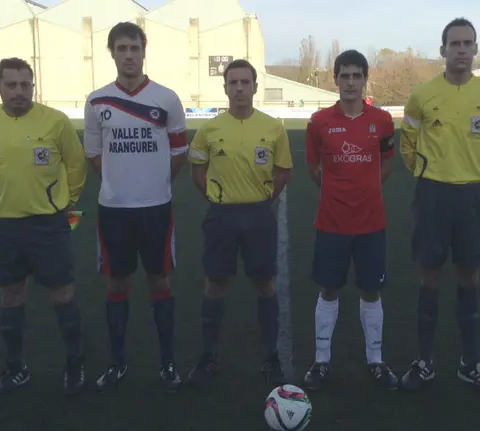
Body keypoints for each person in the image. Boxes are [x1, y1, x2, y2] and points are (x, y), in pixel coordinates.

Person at [0, 57, 88, 396]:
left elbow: (76, 164)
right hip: (4, 225)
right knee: (10, 294)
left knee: (62, 292)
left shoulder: (56, 121)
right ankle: (17, 367)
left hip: (49, 224)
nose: (19, 91)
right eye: (11, 85)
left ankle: (75, 363)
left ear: (33, 85)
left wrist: (69, 202)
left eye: (25, 84)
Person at [399, 17, 480, 394]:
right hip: (432, 195)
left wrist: (477, 173)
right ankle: (425, 363)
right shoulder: (423, 95)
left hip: (473, 196)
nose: (462, 49)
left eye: (468, 43)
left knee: (469, 276)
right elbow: (408, 138)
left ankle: (471, 364)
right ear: (443, 50)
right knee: (428, 274)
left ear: (476, 50)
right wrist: (424, 171)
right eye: (455, 43)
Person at [83, 22, 188, 393]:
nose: (129, 55)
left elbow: (179, 153)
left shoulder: (166, 99)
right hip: (113, 210)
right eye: (122, 48)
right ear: (112, 52)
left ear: (145, 51)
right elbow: (94, 156)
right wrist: (120, 183)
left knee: (160, 280)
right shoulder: (97, 101)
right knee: (116, 282)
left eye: (134, 48)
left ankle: (167, 362)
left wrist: (153, 182)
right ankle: (117, 363)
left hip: (156, 209)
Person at [187, 59, 292, 387]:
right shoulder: (210, 129)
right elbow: (197, 172)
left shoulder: (273, 127)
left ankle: (271, 356)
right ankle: (209, 356)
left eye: (245, 82)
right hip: (221, 218)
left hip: (259, 216)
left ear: (255, 87)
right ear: (226, 88)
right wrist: (218, 199)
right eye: (233, 83)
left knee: (264, 284)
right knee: (215, 283)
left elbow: (283, 170)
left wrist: (264, 200)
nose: (240, 89)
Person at [302, 50, 399, 391]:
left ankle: (376, 361)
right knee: (329, 289)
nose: (351, 82)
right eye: (345, 75)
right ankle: (321, 361)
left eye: (357, 75)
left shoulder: (383, 121)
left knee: (371, 290)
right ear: (335, 79)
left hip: (371, 223)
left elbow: (387, 163)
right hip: (331, 223)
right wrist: (336, 193)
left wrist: (367, 190)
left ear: (365, 80)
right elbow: (313, 168)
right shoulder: (319, 122)